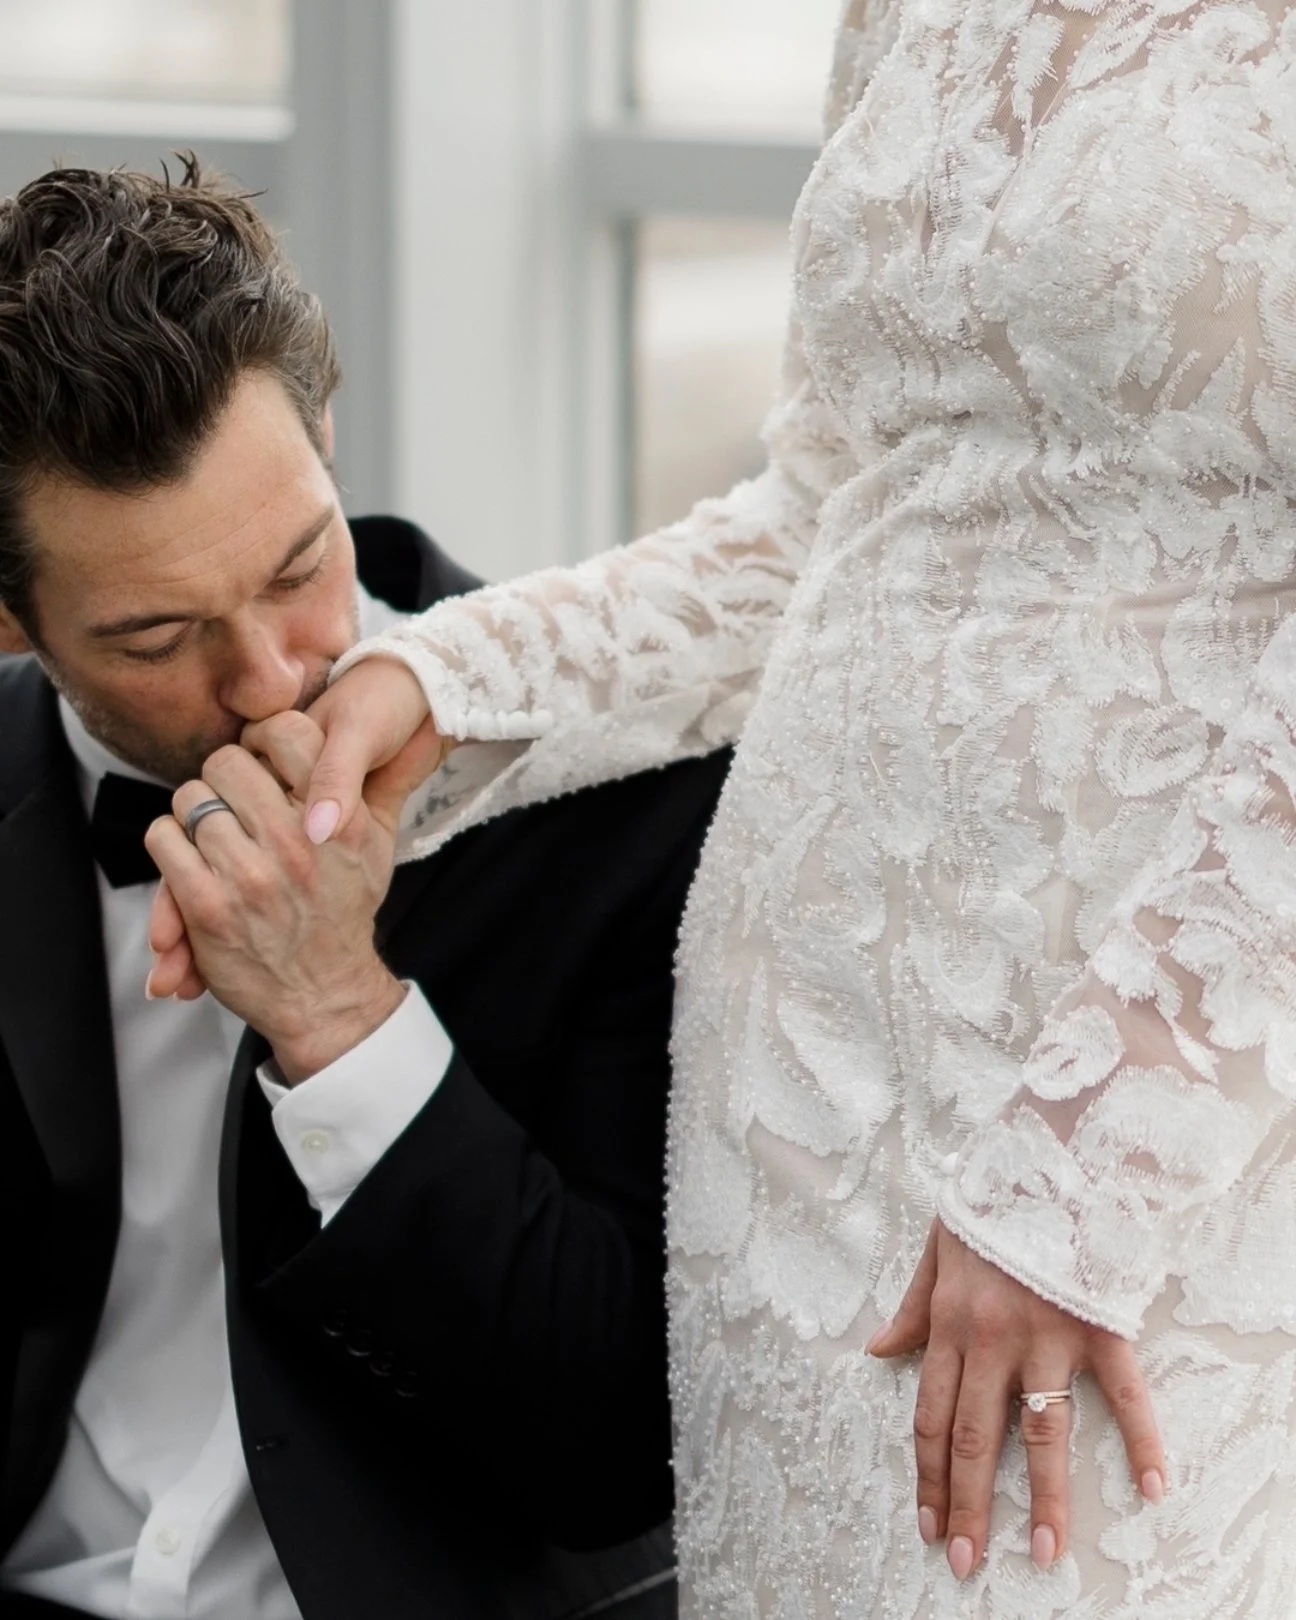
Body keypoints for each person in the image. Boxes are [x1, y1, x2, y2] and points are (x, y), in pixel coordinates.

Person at [252, 0, 1296, 1612]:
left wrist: (1081, 1182)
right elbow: (819, 513)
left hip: (1133, 1120)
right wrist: (451, 672)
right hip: (795, 1103)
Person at [0, 160, 734, 1620]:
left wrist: (338, 1014)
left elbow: (612, 1456)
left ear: (328, 440)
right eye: (155, 638)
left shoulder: (621, 798)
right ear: (13, 619)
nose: (269, 678)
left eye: (298, 568)